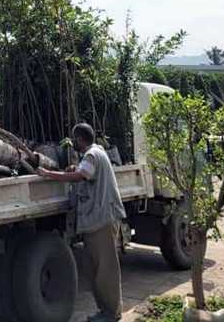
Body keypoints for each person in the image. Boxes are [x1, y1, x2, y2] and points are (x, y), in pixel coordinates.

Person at [37, 123, 126, 322]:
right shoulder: (97, 152)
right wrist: (74, 168)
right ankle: (105, 311)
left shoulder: (92, 155)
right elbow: (84, 172)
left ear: (78, 139)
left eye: (74, 139)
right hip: (99, 219)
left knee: (105, 269)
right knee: (97, 268)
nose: (73, 143)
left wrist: (48, 174)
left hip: (102, 219)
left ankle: (111, 313)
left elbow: (80, 176)